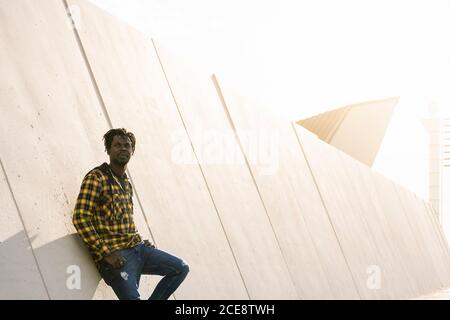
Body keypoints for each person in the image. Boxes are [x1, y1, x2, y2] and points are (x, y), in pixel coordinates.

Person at [73, 128, 189, 300]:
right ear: (108, 149)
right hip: (117, 257)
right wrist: (106, 254)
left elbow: (124, 220)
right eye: (117, 145)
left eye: (127, 146)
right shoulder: (97, 177)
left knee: (181, 268)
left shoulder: (126, 182)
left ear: (132, 151)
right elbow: (80, 218)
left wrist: (140, 239)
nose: (123, 149)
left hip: (139, 249)